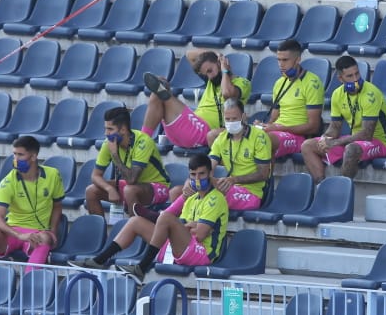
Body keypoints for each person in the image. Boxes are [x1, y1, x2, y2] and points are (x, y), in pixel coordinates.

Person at [70, 153, 229, 278]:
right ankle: (99, 260)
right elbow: (186, 226)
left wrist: (185, 226)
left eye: (201, 174)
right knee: (135, 221)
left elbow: (200, 235)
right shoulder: (191, 197)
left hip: (202, 254)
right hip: (180, 246)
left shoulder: (216, 198)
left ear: (210, 174)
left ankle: (142, 267)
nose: (197, 179)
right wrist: (188, 225)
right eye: (193, 175)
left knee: (166, 219)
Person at [301, 56, 386, 183]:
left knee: (351, 149)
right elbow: (335, 128)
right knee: (308, 145)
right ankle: (321, 187)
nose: (356, 80)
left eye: (357, 74)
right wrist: (325, 138)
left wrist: (336, 143)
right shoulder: (337, 94)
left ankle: (341, 191)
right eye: (350, 76)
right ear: (340, 79)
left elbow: (367, 134)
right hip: (353, 141)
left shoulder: (371, 94)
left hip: (379, 142)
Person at [174, 98, 273, 215]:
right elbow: (208, 166)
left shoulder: (259, 137)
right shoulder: (222, 138)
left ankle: (173, 218)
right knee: (181, 191)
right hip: (229, 188)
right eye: (227, 119)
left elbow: (263, 174)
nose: (231, 122)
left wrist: (234, 180)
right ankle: (170, 217)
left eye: (234, 118)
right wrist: (190, 182)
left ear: (244, 117)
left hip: (251, 194)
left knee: (209, 191)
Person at [0, 136, 64, 268]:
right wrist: (19, 235)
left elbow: (57, 206)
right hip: (13, 231)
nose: (16, 159)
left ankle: (29, 283)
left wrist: (52, 231)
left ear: (33, 157)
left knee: (45, 238)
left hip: (38, 232)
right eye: (14, 155)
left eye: (20, 155)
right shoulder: (8, 182)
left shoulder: (53, 175)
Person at [140, 49, 250, 148]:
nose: (209, 76)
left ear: (220, 64)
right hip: (185, 130)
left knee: (159, 93)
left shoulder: (243, 83)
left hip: (202, 132)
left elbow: (227, 93)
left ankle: (142, 143)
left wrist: (224, 71)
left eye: (210, 71)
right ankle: (143, 141)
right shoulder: (211, 81)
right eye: (206, 74)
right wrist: (216, 54)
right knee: (157, 93)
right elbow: (189, 55)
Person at [85, 106, 171, 220]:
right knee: (91, 191)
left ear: (123, 130)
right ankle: (99, 233)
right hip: (131, 186)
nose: (106, 133)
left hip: (158, 187)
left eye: (110, 129)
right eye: (105, 128)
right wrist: (109, 189)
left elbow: (131, 180)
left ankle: (133, 231)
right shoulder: (109, 142)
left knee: (129, 190)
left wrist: (115, 155)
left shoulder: (143, 142)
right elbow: (95, 175)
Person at [257, 38, 324, 158]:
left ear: (298, 59)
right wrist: (263, 126)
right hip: (278, 132)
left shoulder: (312, 83)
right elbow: (273, 119)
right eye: (278, 60)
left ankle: (264, 176)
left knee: (262, 139)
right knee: (241, 136)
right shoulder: (279, 83)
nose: (281, 65)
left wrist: (281, 128)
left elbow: (313, 126)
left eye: (285, 60)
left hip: (298, 137)